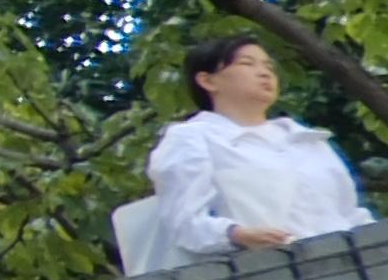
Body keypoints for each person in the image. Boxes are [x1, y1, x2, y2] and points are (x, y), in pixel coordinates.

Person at [151, 33, 370, 253]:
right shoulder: (192, 138)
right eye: (247, 64)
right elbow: (185, 222)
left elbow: (349, 212)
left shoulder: (307, 140)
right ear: (208, 80)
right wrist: (235, 234)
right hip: (267, 273)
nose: (264, 73)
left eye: (269, 67)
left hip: (349, 266)